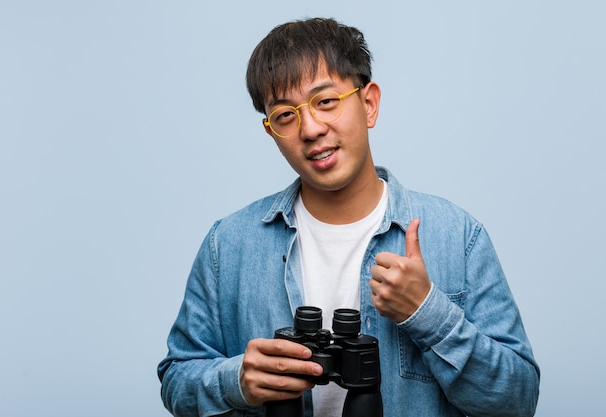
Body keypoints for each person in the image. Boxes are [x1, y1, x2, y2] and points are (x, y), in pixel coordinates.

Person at [157, 17, 540, 417]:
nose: (310, 129)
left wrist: (427, 312)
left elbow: (518, 400)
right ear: (271, 132)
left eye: (325, 102)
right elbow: (177, 379)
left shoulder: (458, 236)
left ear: (369, 104)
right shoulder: (229, 244)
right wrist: (237, 381)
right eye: (286, 115)